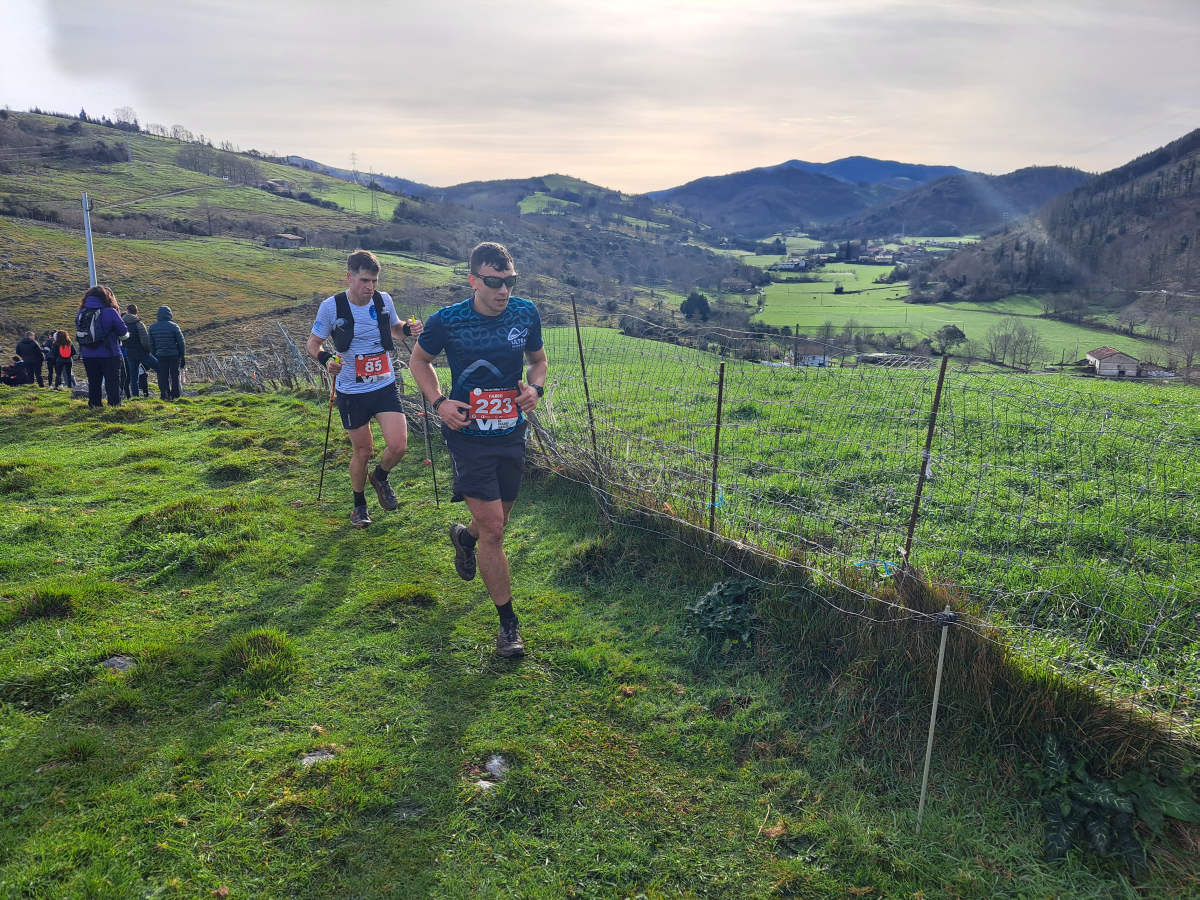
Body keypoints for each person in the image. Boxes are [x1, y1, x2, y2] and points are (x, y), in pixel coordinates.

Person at [409, 242, 547, 658]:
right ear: (473, 280)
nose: (503, 290)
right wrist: (439, 402)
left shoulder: (525, 313)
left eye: (510, 281)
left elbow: (538, 360)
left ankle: (463, 538)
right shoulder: (448, 320)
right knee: (495, 530)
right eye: (493, 281)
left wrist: (535, 389)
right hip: (467, 436)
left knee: (496, 520)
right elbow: (419, 361)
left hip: (510, 433)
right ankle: (508, 625)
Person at [306, 249, 423, 528]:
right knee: (363, 451)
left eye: (374, 281)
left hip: (383, 384)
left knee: (398, 446)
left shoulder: (384, 300)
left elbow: (394, 329)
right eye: (364, 281)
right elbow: (313, 344)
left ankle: (380, 477)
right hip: (351, 390)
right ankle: (359, 505)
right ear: (350, 277)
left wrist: (409, 329)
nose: (370, 287)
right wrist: (327, 360)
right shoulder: (331, 307)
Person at [76, 285, 129, 408]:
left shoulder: (81, 313)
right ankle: (114, 405)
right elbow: (124, 333)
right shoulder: (110, 311)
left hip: (88, 354)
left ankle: (94, 405)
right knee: (113, 381)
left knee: (93, 382)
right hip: (109, 353)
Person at [148, 305, 186, 400]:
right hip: (174, 355)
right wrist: (182, 355)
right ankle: (175, 395)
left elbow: (151, 344)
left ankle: (165, 394)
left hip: (160, 355)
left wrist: (155, 354)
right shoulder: (174, 326)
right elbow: (181, 342)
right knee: (174, 375)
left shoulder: (152, 327)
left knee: (162, 376)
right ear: (169, 314)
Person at [121, 303, 156, 398]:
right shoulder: (138, 323)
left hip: (128, 353)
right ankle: (163, 391)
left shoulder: (122, 323)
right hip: (141, 352)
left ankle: (135, 397)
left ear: (127, 311)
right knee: (158, 367)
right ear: (136, 312)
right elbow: (145, 341)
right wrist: (148, 351)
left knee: (133, 376)